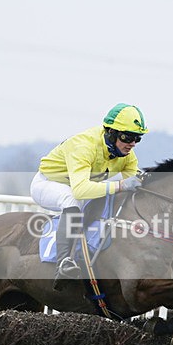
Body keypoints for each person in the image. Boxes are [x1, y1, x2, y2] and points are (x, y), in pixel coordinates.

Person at [30, 103, 147, 289]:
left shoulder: (127, 154)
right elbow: (81, 191)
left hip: (81, 186)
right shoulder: (84, 146)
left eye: (137, 138)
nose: (132, 143)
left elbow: (134, 184)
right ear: (111, 133)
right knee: (72, 199)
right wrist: (120, 185)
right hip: (49, 184)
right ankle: (63, 263)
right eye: (127, 137)